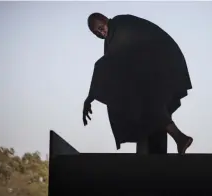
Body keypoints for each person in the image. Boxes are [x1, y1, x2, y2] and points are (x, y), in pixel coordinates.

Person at [82, 13, 193, 154]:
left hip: (164, 63)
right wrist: (91, 96)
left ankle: (179, 138)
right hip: (154, 68)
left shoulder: (120, 26)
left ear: (105, 20)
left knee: (142, 102)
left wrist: (91, 96)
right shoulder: (113, 36)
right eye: (96, 33)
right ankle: (180, 138)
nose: (101, 32)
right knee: (144, 106)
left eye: (100, 27)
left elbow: (110, 65)